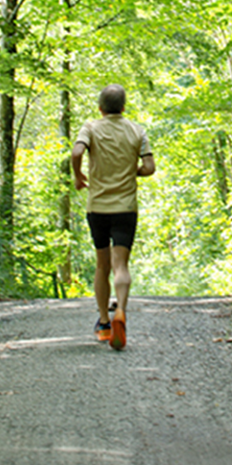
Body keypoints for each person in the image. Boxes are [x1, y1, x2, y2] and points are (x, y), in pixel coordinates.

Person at [71, 84, 155, 351]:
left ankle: (105, 323)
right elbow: (150, 167)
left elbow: (76, 152)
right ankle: (122, 311)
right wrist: (134, 172)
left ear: (100, 107)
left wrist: (79, 175)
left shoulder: (91, 127)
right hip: (126, 207)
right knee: (121, 266)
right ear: (123, 106)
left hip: (97, 207)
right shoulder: (136, 130)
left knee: (102, 265)